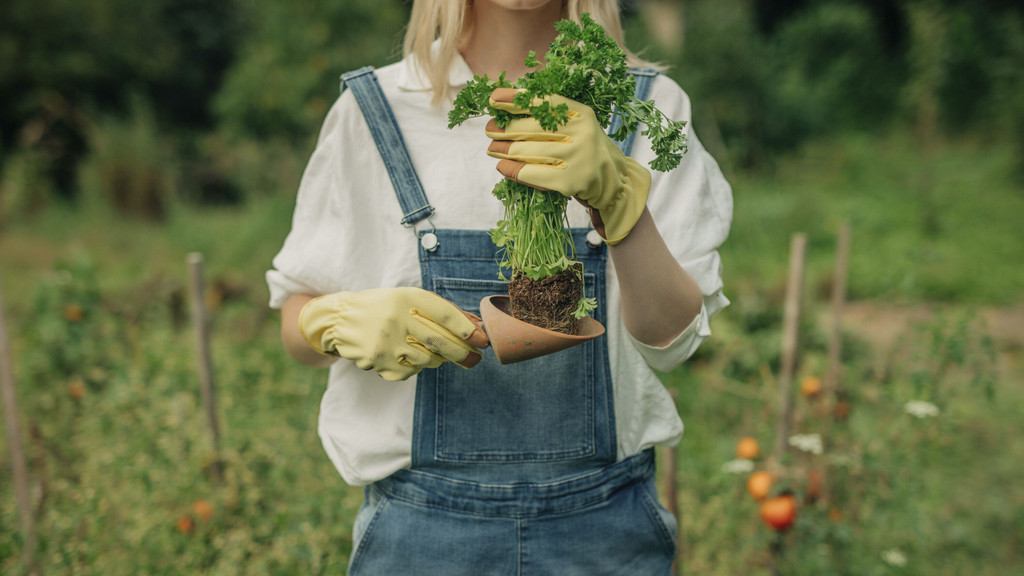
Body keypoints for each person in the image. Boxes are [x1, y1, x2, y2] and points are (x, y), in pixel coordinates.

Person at [266, 0, 732, 573]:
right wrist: (329, 320)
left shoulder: (646, 103)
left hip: (604, 532)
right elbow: (296, 318)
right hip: (421, 536)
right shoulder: (376, 108)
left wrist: (621, 210)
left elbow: (674, 342)